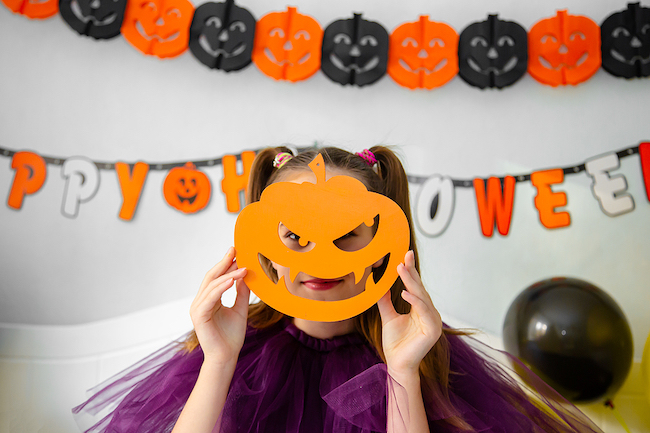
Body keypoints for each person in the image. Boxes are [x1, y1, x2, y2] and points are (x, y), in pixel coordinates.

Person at [73, 146, 603, 433]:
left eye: (347, 235)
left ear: (381, 241)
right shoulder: (233, 354)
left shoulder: (418, 354)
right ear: (265, 243)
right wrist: (219, 358)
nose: (319, 258)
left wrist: (401, 371)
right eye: (295, 238)